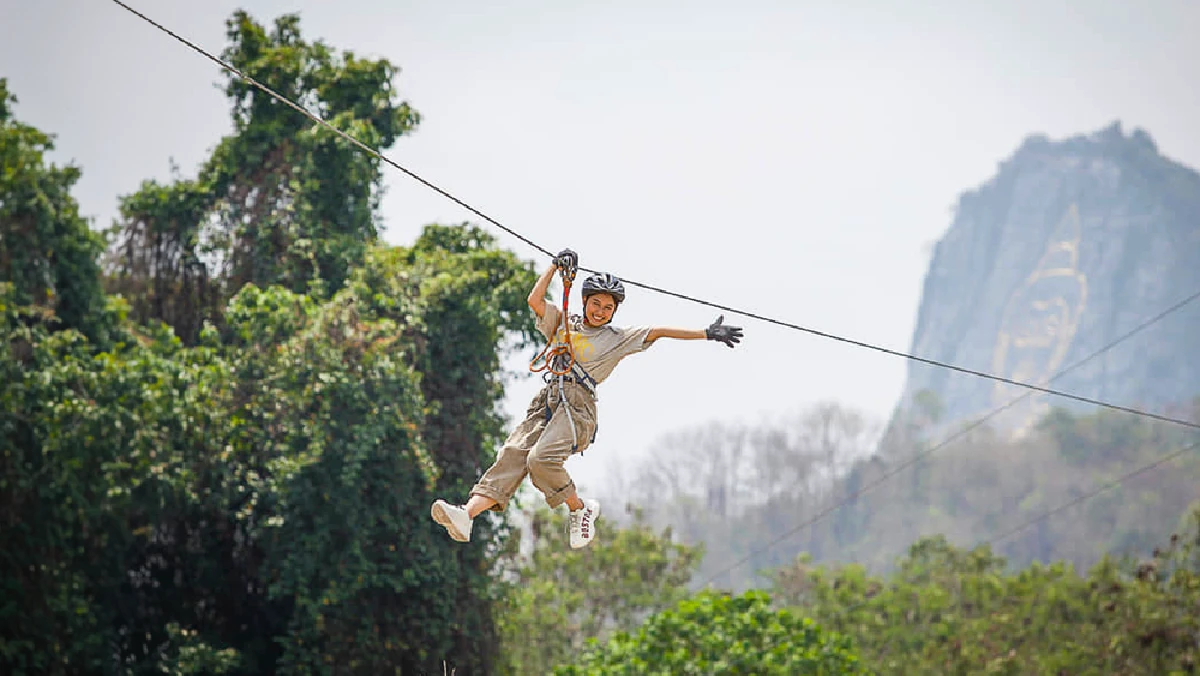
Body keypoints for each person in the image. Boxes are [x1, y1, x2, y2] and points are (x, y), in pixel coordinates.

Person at [430, 248, 743, 549]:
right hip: (548, 400)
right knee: (513, 454)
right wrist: (555, 266)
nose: (601, 311)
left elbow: (659, 331)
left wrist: (706, 333)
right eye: (596, 304)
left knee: (540, 459)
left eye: (608, 308)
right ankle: (466, 514)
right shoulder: (565, 323)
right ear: (584, 301)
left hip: (577, 408)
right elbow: (534, 300)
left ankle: (580, 509)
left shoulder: (616, 339)